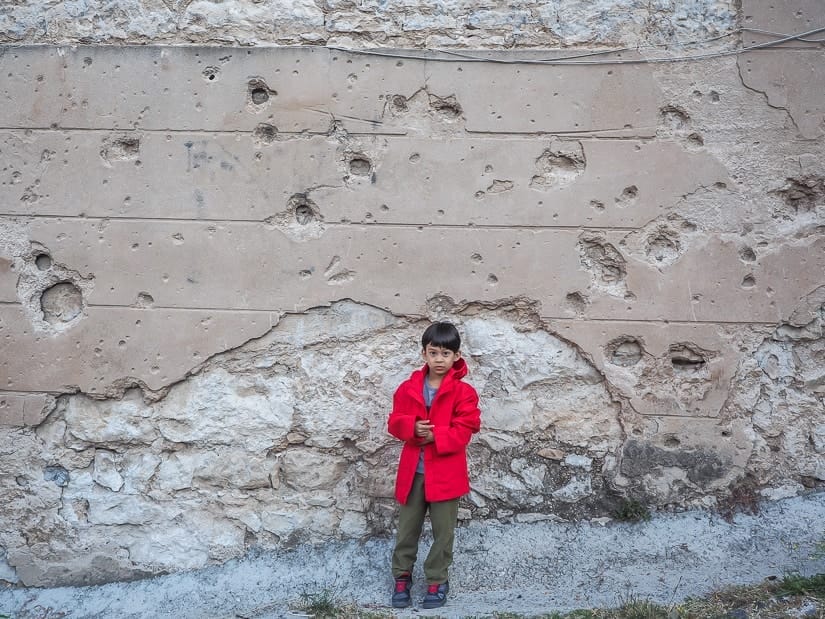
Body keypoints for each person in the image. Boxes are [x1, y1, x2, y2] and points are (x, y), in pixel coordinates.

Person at [387, 322, 481, 609]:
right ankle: (402, 576)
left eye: (446, 353)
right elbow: (394, 422)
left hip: (445, 474)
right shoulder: (408, 387)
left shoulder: (463, 392)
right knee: (407, 529)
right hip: (413, 472)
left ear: (456, 356)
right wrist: (413, 427)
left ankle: (437, 580)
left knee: (444, 532)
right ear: (424, 354)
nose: (439, 359)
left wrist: (436, 435)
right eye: (433, 353)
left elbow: (467, 427)